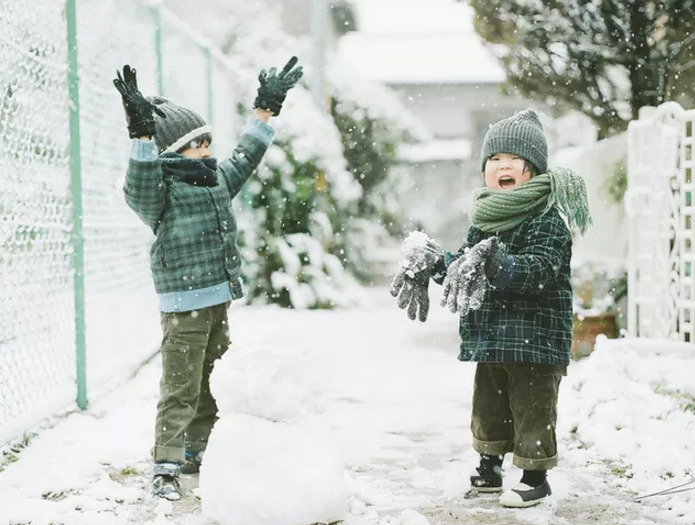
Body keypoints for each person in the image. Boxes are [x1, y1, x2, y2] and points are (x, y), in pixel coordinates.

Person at [112, 57, 303, 500]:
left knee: (212, 377)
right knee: (180, 385)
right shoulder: (158, 191)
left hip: (218, 299)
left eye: (206, 141)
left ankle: (200, 449)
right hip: (183, 305)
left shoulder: (214, 178)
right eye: (195, 144)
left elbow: (245, 157)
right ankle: (166, 462)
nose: (205, 150)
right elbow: (139, 182)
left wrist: (264, 112)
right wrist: (141, 135)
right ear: (171, 151)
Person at [390, 109, 591, 508]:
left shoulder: (547, 219)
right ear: (484, 171)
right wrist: (435, 262)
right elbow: (466, 263)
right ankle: (489, 467)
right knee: (489, 406)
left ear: (532, 170)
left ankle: (535, 476)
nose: (502, 166)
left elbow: (539, 271)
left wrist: (500, 264)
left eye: (512, 160)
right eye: (493, 160)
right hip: (492, 335)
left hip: (535, 339)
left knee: (533, 408)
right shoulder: (484, 220)